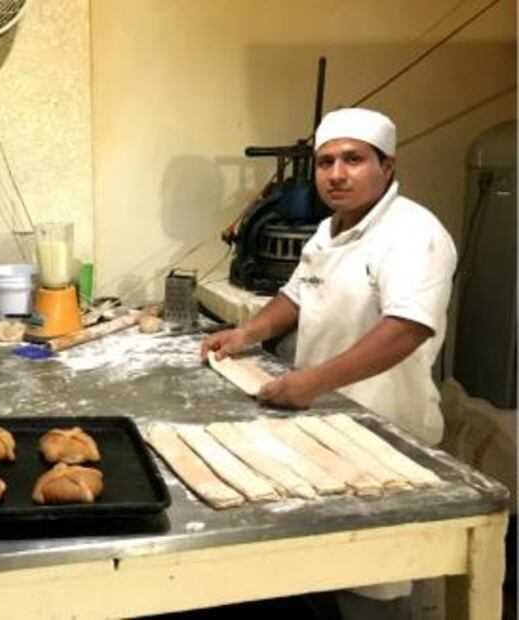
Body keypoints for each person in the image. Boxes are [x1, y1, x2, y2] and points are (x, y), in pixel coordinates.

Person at [201, 108, 457, 617]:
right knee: (326, 572)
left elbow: (407, 328)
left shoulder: (413, 233)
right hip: (326, 422)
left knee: (376, 582)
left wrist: (311, 381)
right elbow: (297, 296)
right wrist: (248, 333)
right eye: (325, 162)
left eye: (353, 160)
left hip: (387, 433)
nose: (336, 174)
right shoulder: (328, 230)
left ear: (387, 167)